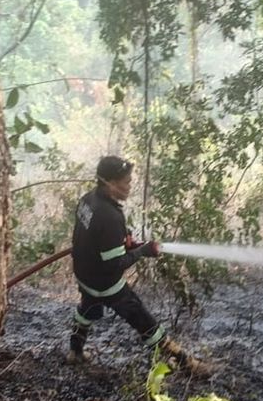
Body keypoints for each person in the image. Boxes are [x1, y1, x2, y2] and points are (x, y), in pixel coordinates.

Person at [69, 155, 211, 376]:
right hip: (104, 282)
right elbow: (115, 265)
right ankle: (186, 363)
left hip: (84, 274)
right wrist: (143, 251)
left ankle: (74, 352)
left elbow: (93, 237)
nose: (130, 185)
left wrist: (123, 241)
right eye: (125, 181)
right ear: (109, 183)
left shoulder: (88, 200)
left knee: (87, 308)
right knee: (144, 321)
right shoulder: (110, 216)